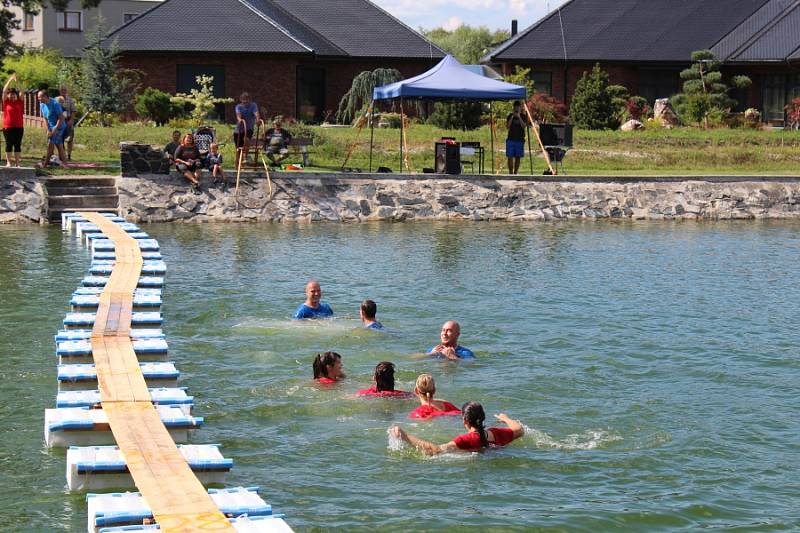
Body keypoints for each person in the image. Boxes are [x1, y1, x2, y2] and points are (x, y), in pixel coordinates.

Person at [391, 402, 524, 455]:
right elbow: (519, 429)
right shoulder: (496, 433)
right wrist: (505, 418)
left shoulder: (466, 439)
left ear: (464, 420)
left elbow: (436, 451)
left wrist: (406, 436)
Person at [37, 90, 68, 168]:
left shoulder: (55, 104)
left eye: (40, 97)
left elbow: (61, 117)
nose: (38, 98)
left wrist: (55, 129)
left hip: (59, 126)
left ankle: (45, 164)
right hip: (51, 126)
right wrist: (48, 129)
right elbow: (45, 118)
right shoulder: (42, 104)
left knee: (50, 144)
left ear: (45, 96)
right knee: (59, 145)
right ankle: (65, 164)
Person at [234, 92, 262, 168]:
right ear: (241, 100)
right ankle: (238, 165)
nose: (245, 102)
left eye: (246, 100)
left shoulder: (253, 105)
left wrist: (258, 119)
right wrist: (240, 119)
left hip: (249, 128)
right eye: (243, 100)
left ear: (249, 99)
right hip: (239, 130)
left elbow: (256, 113)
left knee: (246, 139)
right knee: (238, 148)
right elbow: (238, 115)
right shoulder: (238, 106)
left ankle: (245, 157)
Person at [2, 74, 24, 167]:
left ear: (16, 96)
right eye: (10, 95)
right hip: (8, 127)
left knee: (17, 145)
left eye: (14, 95)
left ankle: (17, 163)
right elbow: (4, 91)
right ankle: (9, 162)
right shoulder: (6, 102)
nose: (12, 97)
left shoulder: (20, 102)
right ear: (8, 96)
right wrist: (9, 80)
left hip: (19, 127)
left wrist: (16, 81)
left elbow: (22, 91)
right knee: (9, 145)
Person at [506, 100, 529, 175]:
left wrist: (519, 117)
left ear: (520, 108)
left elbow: (524, 126)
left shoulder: (523, 116)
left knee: (518, 157)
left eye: (518, 107)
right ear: (513, 108)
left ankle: (515, 173)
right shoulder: (510, 115)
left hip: (519, 139)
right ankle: (510, 173)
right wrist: (512, 117)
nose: (517, 108)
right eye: (515, 107)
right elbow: (507, 126)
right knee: (510, 156)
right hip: (511, 139)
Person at [59, 85, 77, 161]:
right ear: (60, 91)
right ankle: (62, 155)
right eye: (62, 90)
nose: (63, 91)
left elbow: (73, 111)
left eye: (64, 90)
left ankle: (69, 155)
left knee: (70, 138)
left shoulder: (70, 100)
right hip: (60, 120)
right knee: (60, 139)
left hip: (68, 120)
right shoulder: (56, 100)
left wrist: (71, 120)